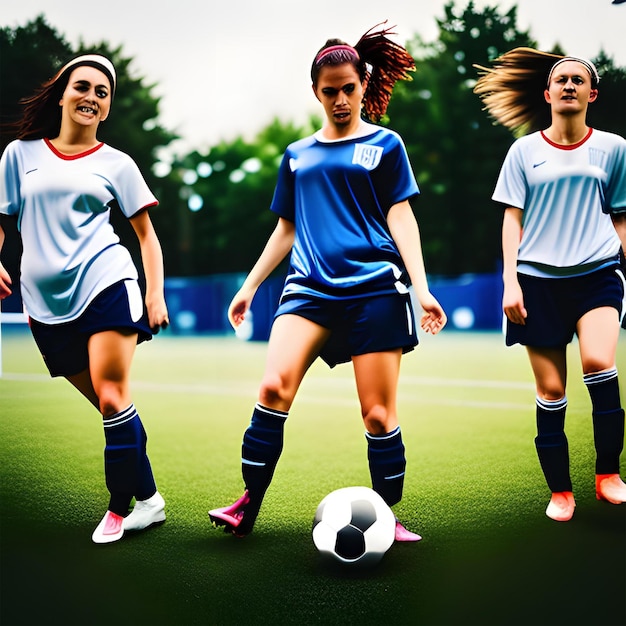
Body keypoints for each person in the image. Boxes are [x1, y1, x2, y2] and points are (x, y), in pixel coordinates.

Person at [208, 24, 447, 542]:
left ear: (363, 84)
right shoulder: (297, 155)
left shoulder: (387, 144)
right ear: (315, 92)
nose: (340, 99)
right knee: (273, 388)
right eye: (329, 90)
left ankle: (387, 516)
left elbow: (401, 216)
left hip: (376, 291)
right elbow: (286, 229)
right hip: (308, 290)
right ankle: (247, 502)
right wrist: (248, 287)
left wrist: (422, 287)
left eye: (349, 88)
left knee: (379, 416)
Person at [0, 54, 169, 543]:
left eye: (102, 92)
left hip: (106, 283)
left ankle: (118, 510)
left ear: (108, 107)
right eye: (83, 87)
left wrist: (154, 296)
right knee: (112, 408)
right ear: (62, 93)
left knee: (114, 397)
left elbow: (147, 237)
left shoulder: (117, 163)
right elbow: (2, 220)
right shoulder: (19, 155)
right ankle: (150, 501)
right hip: (43, 304)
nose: (91, 97)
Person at [474, 48, 626, 521]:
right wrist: (510, 282)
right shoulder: (524, 151)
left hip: (597, 273)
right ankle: (560, 492)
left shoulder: (615, 148)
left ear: (591, 94)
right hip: (537, 282)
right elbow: (510, 221)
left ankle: (608, 476)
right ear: (547, 93)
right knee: (553, 390)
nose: (568, 85)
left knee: (599, 362)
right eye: (560, 79)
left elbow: (620, 215)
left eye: (577, 80)